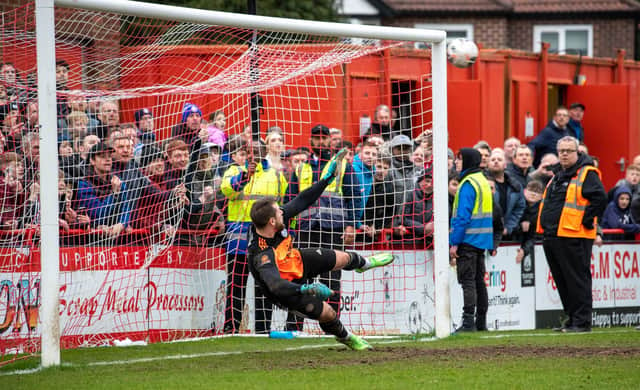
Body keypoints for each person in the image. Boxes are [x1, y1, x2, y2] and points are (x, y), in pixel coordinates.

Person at [247, 148, 394, 350]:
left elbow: (303, 200)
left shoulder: (274, 221)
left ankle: (365, 264)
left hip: (295, 260)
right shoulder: (261, 253)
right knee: (328, 313)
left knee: (341, 257)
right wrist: (306, 288)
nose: (284, 212)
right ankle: (347, 337)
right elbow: (275, 285)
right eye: (280, 214)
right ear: (272, 222)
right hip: (286, 288)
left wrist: (326, 179)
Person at [536, 136, 607, 332]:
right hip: (553, 235)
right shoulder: (557, 174)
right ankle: (572, 319)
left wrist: (586, 219)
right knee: (563, 280)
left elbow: (600, 198)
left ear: (578, 152)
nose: (564, 154)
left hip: (574, 235)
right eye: (561, 151)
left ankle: (582, 322)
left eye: (569, 151)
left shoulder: (587, 173)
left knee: (577, 280)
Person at [449, 148, 495, 332]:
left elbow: (462, 216)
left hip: (468, 238)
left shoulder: (468, 183)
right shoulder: (483, 181)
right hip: (482, 240)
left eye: (459, 159)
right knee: (478, 281)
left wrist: (454, 242)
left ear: (467, 161)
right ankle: (481, 322)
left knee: (467, 281)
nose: (456, 163)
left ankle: (468, 322)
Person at [486, 148, 525, 240]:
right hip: (487, 233)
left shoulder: (515, 185)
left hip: (507, 234)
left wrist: (509, 227)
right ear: (488, 164)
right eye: (493, 160)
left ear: (505, 165)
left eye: (499, 160)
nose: (496, 161)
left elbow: (520, 208)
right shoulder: (483, 183)